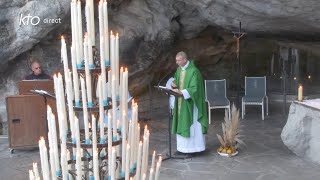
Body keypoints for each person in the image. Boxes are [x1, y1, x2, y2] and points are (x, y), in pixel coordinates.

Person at [171, 51, 208, 154]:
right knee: (181, 121)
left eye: (178, 60)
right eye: (176, 60)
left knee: (192, 124)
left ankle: (194, 148)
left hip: (192, 103)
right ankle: (182, 148)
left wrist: (182, 92)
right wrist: (174, 85)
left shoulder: (194, 71)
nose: (177, 63)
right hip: (181, 102)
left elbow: (195, 89)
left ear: (184, 59)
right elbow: (177, 81)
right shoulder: (179, 70)